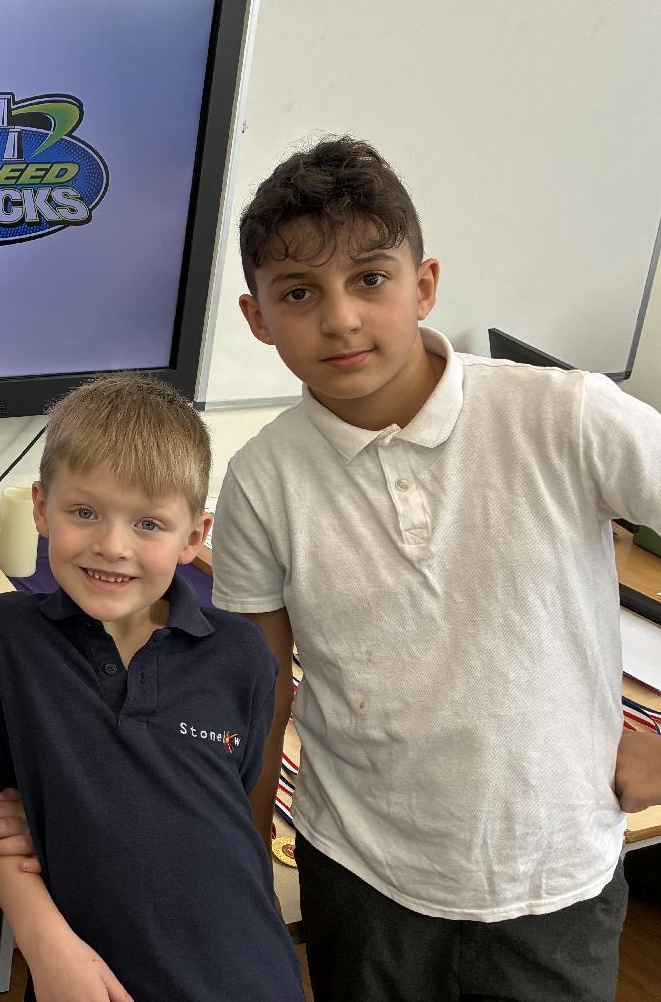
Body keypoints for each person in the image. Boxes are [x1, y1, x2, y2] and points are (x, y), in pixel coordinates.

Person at [214, 136, 661, 1001]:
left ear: (423, 286)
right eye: (299, 292)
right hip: (360, 880)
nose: (341, 318)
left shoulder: (566, 416)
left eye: (370, 279)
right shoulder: (262, 480)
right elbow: (257, 694)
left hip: (552, 876)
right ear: (257, 317)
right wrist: (239, 866)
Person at [0, 373, 303, 1002]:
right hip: (82, 982)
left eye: (148, 523)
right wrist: (44, 943)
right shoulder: (5, 637)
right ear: (41, 507)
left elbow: (226, 804)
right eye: (84, 512)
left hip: (252, 977)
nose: (112, 546)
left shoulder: (241, 655)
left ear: (194, 536)